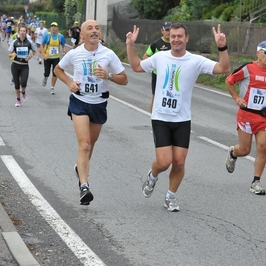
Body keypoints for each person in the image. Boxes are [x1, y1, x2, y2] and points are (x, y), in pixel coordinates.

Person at [126, 22, 230, 212]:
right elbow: (136, 66)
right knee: (164, 162)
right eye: (173, 36)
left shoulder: (195, 61)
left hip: (182, 119)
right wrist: (130, 45)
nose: (176, 39)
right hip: (161, 117)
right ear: (169, 38)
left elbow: (223, 68)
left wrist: (221, 46)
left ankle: (170, 196)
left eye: (179, 36)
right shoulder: (159, 57)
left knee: (179, 162)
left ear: (186, 39)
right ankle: (153, 175)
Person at [54, 19, 128, 205]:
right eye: (90, 29)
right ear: (82, 34)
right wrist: (70, 83)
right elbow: (58, 69)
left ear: (100, 34)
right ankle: (84, 187)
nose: (94, 31)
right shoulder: (75, 54)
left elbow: (124, 79)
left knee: (91, 145)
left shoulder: (108, 54)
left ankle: (81, 168)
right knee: (84, 145)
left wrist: (108, 76)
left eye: (97, 28)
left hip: (99, 103)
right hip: (80, 101)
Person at [225, 41, 266, 195]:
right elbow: (229, 81)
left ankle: (256, 181)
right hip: (246, 114)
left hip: (262, 116)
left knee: (262, 147)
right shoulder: (247, 68)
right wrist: (236, 98)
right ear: (258, 53)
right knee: (245, 150)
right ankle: (233, 153)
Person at [142, 21, 172, 113]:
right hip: (158, 75)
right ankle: (153, 119)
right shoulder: (156, 44)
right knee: (155, 97)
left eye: (170, 30)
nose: (168, 32)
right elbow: (145, 56)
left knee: (171, 98)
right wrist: (155, 64)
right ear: (162, 31)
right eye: (166, 30)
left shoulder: (175, 43)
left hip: (172, 75)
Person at [8, 25, 36, 107]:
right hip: (15, 65)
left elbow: (34, 51)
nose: (22, 32)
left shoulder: (29, 42)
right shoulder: (14, 42)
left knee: (23, 83)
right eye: (21, 31)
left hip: (24, 66)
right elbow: (9, 54)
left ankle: (23, 92)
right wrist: (12, 54)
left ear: (26, 32)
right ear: (18, 32)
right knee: (17, 84)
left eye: (24, 31)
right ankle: (18, 100)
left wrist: (30, 56)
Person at [40, 22, 66, 95]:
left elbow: (63, 45)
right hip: (47, 57)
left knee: (55, 73)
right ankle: (45, 77)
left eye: (55, 26)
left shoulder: (60, 36)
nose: (53, 28)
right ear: (50, 28)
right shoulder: (47, 36)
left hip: (56, 57)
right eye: (52, 26)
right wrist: (44, 54)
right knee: (47, 72)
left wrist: (64, 51)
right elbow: (41, 45)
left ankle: (52, 87)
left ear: (57, 28)